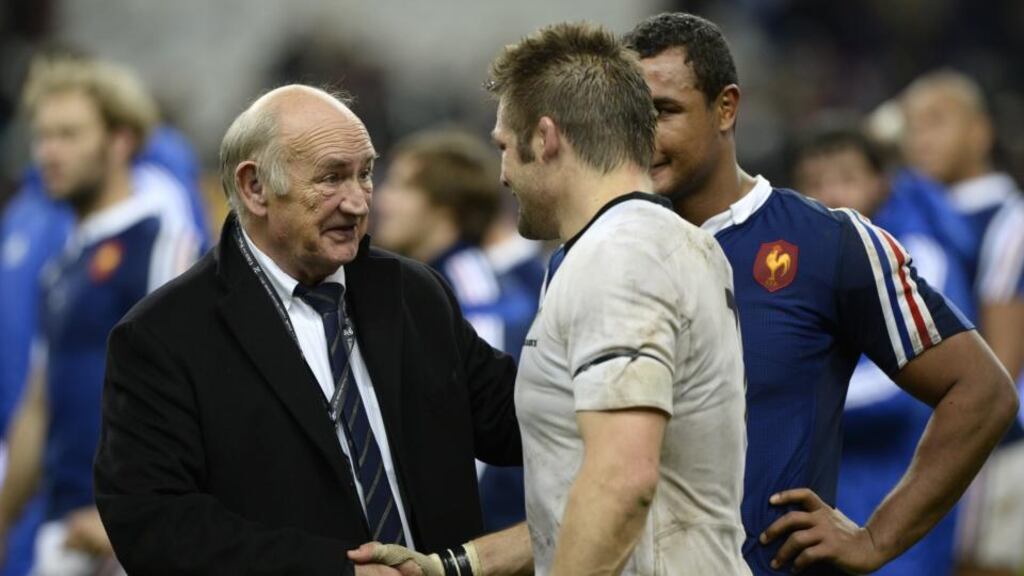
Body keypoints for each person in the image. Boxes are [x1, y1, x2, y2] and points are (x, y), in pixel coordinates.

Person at [623, 12, 1019, 576]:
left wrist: (876, 539)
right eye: (631, 117)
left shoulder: (829, 242)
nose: (645, 135)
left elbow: (982, 392)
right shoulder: (603, 249)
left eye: (665, 111)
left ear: (726, 108)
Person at [359, 22, 751, 575]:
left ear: (545, 138)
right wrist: (457, 566)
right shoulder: (640, 244)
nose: (501, 175)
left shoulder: (621, 257)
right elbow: (612, 493)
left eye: (503, 147)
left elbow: (623, 482)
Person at [93, 84, 528, 576]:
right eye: (332, 178)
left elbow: (520, 424)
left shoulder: (414, 293)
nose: (359, 203)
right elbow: (158, 527)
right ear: (255, 187)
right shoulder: (162, 337)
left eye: (365, 174)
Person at [0, 55, 201, 575]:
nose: (48, 152)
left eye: (68, 135)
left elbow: (192, 384)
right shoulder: (64, 262)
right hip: (63, 528)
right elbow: (38, 406)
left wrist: (136, 510)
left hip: (125, 535)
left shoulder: (158, 239)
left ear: (120, 141)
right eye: (42, 136)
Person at [793, 124, 977, 576]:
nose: (832, 194)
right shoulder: (805, 264)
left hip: (898, 497)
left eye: (846, 177)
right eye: (815, 182)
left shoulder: (916, 257)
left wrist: (789, 397)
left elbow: (899, 393)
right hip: (833, 497)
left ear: (881, 182)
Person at [374, 129, 535, 531]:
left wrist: (458, 538)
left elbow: (492, 419)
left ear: (445, 203)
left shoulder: (471, 289)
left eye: (401, 185)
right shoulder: (423, 280)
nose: (381, 199)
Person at [902, 70, 1024, 576]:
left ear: (980, 132)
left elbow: (1003, 364)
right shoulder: (908, 211)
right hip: (939, 435)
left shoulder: (1008, 217)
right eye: (910, 125)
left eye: (937, 121)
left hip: (996, 446)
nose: (919, 137)